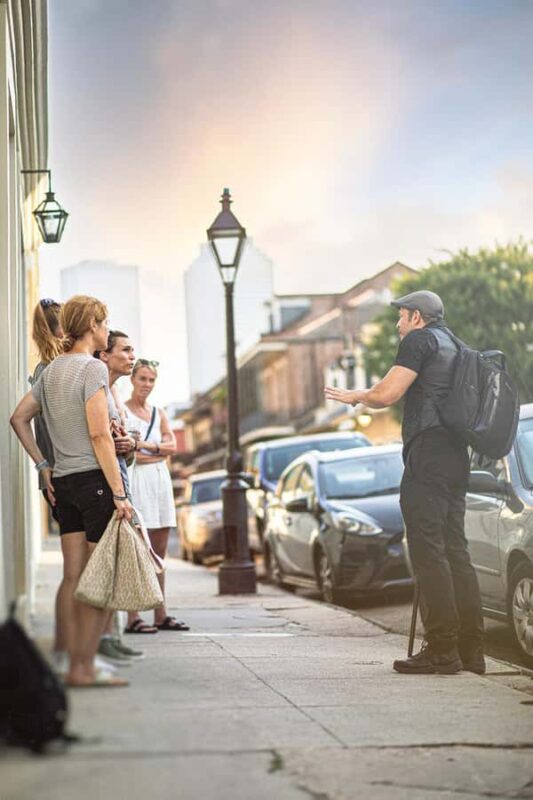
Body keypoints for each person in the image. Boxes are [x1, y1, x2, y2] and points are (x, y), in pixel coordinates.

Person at [325, 290, 484, 675]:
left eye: (401, 316)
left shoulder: (420, 340)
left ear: (416, 316)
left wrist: (357, 396)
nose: (398, 324)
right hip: (456, 456)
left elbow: (388, 393)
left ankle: (442, 649)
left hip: (427, 454)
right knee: (456, 551)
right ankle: (471, 651)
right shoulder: (455, 344)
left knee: (429, 552)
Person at [10, 295, 133, 687]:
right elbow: (99, 435)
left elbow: (18, 418)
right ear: (91, 325)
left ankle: (76, 663)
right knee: (101, 580)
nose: (107, 330)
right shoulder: (92, 368)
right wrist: (119, 493)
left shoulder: (50, 371)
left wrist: (43, 464)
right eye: (104, 323)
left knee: (75, 576)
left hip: (64, 483)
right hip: (95, 482)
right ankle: (83, 667)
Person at [124, 359, 189, 634]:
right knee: (136, 551)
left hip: (160, 483)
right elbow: (127, 455)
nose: (147, 384)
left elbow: (172, 446)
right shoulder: (122, 411)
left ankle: (161, 614)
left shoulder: (158, 412)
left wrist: (142, 445)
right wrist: (156, 451)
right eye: (142, 378)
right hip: (136, 481)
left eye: (151, 380)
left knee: (159, 553)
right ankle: (133, 617)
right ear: (132, 379)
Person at [94, 330, 145, 664]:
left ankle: (111, 635)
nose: (131, 356)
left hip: (120, 480)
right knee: (105, 566)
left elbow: (121, 449)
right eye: (125, 350)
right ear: (105, 355)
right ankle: (101, 638)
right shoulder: (98, 389)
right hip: (105, 486)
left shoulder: (113, 392)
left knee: (115, 564)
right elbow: (96, 439)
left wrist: (129, 446)